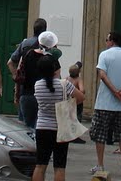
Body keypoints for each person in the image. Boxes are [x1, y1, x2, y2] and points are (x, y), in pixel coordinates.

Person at [89, 30, 121, 179]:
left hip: (104, 103)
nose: (106, 42)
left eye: (106, 39)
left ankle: (100, 164)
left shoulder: (104, 55)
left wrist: (115, 91)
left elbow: (102, 75)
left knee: (100, 135)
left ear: (111, 41)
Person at [33, 53, 83, 181]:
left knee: (40, 165)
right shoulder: (64, 84)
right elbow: (81, 97)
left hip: (42, 127)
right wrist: (67, 105)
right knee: (59, 167)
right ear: (55, 69)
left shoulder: (37, 85)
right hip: (60, 128)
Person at [10, 18, 48, 128]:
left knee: (25, 126)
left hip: (25, 90)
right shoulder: (48, 45)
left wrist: (16, 77)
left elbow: (11, 62)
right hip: (43, 90)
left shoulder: (25, 43)